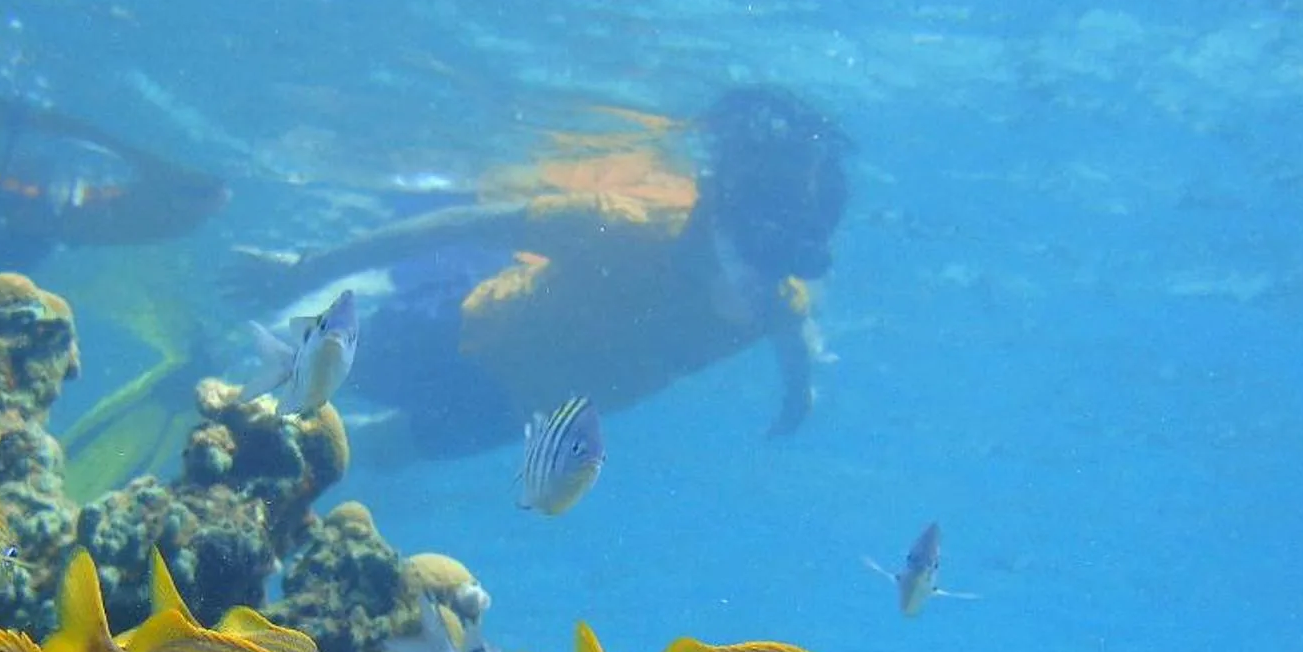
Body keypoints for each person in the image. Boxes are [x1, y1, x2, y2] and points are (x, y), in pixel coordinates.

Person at [237, 86, 850, 460]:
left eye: (783, 263)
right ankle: (218, 377)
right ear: (708, 200)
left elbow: (795, 337)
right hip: (459, 334)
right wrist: (305, 270)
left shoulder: (777, 299)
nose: (751, 286)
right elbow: (455, 224)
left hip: (520, 409)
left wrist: (800, 395)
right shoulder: (621, 226)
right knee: (299, 375)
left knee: (389, 454)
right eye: (742, 257)